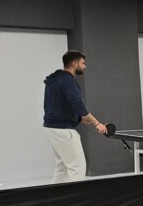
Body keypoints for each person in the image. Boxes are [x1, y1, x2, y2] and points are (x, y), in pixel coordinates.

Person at [43, 51, 107, 182]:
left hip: (51, 129)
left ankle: (58, 194)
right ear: (74, 64)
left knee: (62, 167)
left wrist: (78, 118)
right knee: (77, 167)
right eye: (83, 63)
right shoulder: (68, 80)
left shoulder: (55, 80)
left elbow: (58, 104)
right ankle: (77, 195)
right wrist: (97, 123)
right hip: (63, 130)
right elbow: (77, 103)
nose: (85, 66)